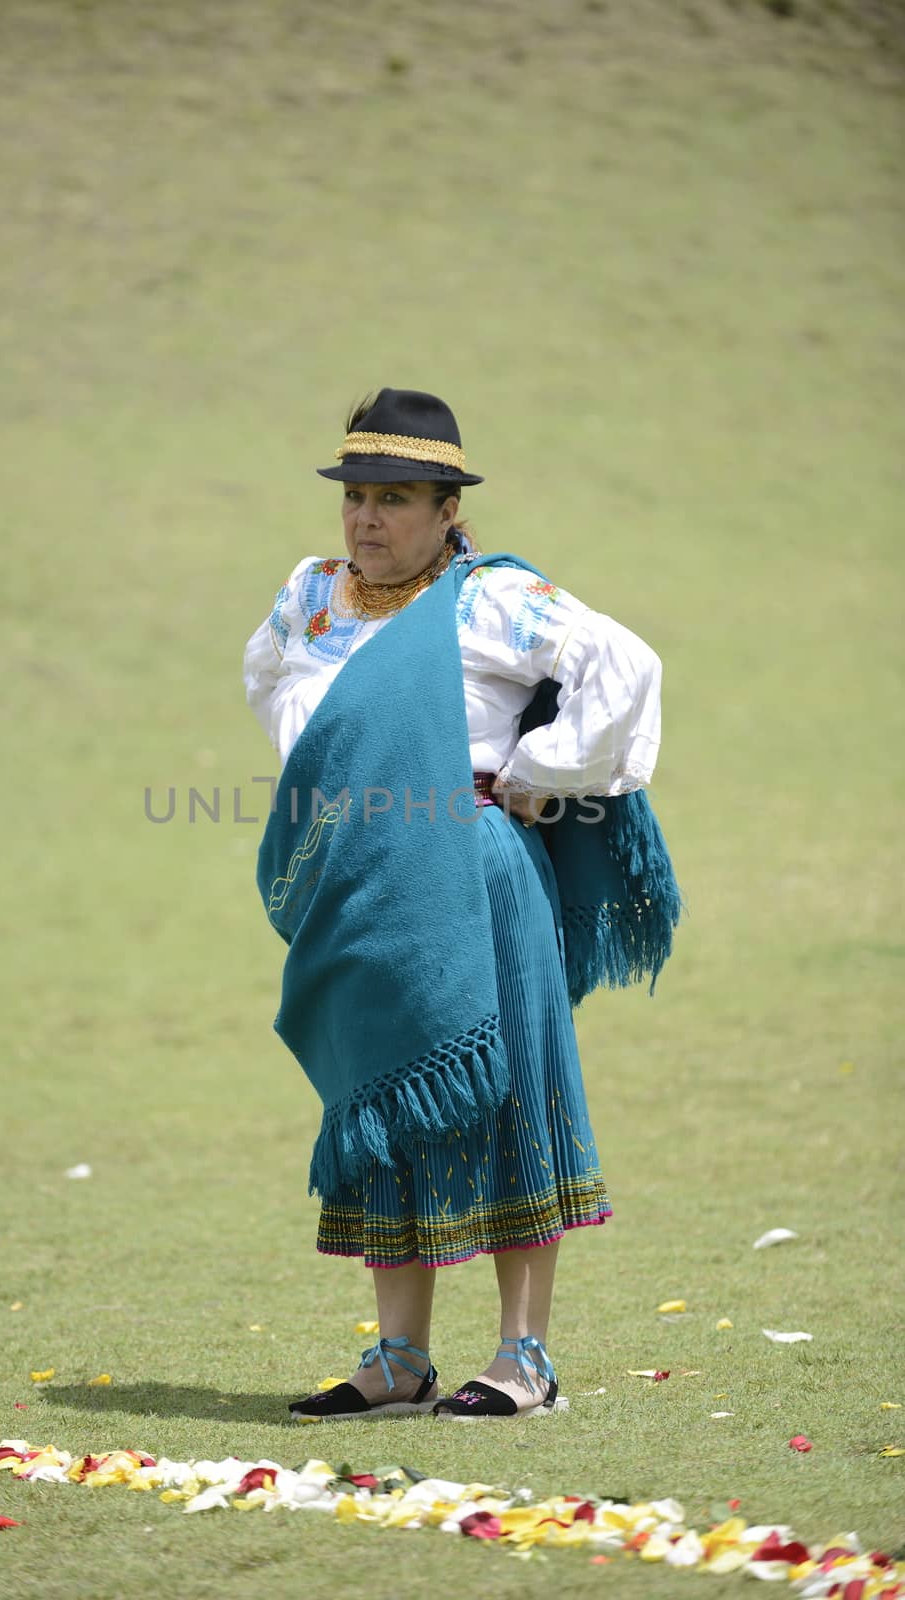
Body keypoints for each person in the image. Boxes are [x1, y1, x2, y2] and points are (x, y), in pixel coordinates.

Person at [243, 388, 678, 1421]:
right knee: (383, 1103)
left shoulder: (492, 598)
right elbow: (273, 687)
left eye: (396, 498)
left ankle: (523, 1360)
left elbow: (624, 665)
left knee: (511, 1090)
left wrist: (540, 771)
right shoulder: (307, 599)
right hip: (359, 883)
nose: (368, 519)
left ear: (447, 511)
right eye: (356, 496)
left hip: (476, 868)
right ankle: (399, 1359)